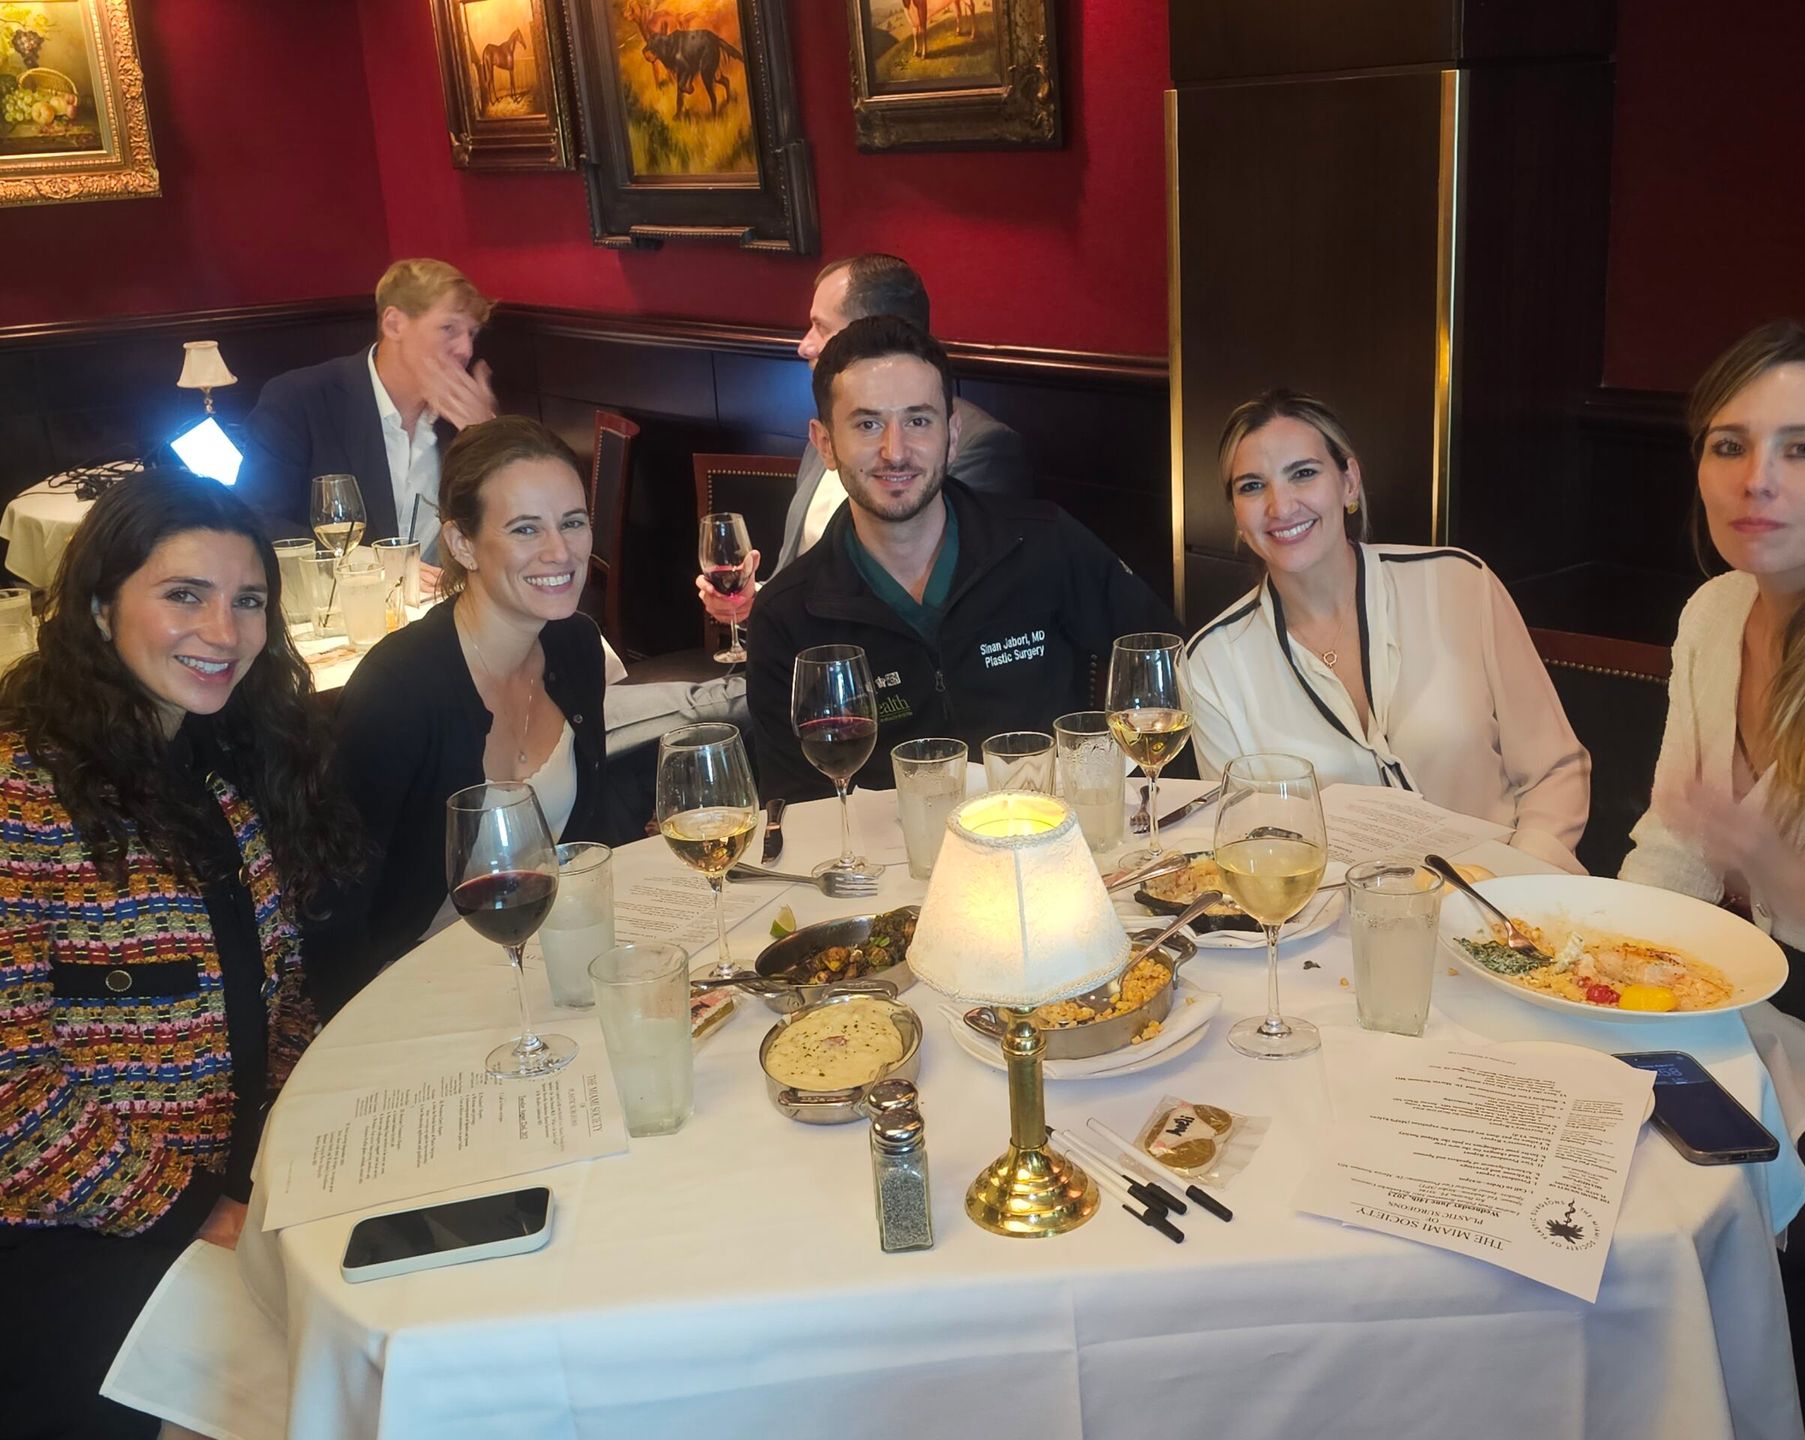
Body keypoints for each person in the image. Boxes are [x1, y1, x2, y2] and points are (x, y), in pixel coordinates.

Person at [0, 470, 358, 1438]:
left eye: (247, 601)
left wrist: (300, 1159)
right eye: (183, 595)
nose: (225, 631)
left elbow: (280, 1004)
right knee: (308, 1386)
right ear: (98, 601)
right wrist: (199, 1211)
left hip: (236, 1187)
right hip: (62, 1235)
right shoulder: (19, 798)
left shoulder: (227, 765)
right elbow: (10, 1092)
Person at [1616, 319, 1805, 1434]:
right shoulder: (1713, 613)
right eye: (1729, 444)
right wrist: (1604, 962)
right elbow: (1676, 843)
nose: (1757, 482)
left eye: (1804, 449)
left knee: (1691, 1213)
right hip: (1748, 1000)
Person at [746, 315, 1176, 801]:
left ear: (950, 434)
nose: (895, 451)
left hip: (1050, 847)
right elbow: (795, 809)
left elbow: (1167, 666)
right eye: (868, 424)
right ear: (825, 443)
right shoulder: (787, 615)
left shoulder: (1044, 544)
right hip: (889, 867)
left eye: (918, 421)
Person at [1184, 388, 1589, 870]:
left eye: (1304, 474)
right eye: (1252, 486)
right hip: (1332, 930)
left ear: (1349, 482)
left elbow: (1554, 771)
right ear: (1235, 513)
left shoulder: (1459, 583)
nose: (1280, 505)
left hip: (1508, 909)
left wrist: (1516, 888)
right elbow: (1249, 847)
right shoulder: (1212, 662)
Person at [304, 417, 612, 1016]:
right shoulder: (399, 690)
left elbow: (590, 840)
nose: (561, 551)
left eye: (573, 522)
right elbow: (332, 909)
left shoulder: (576, 647)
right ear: (462, 543)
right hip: (413, 990)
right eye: (526, 529)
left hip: (545, 966)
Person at [695, 254, 1034, 629]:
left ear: (870, 335)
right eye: (869, 425)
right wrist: (752, 604)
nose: (804, 346)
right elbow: (798, 576)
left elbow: (953, 606)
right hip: (780, 660)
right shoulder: (830, 427)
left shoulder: (982, 446)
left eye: (820, 328)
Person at [235, 257, 497, 560]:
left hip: (447, 600)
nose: (466, 349)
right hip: (342, 599)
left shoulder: (469, 413)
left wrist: (488, 435)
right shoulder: (300, 399)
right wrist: (373, 564)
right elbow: (256, 521)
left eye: (472, 333)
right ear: (394, 324)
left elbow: (515, 521)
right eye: (448, 328)